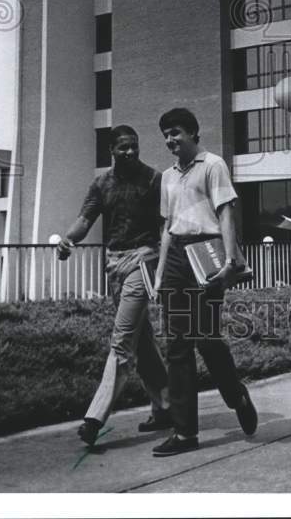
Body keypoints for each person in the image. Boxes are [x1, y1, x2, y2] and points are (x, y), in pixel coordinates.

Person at [56, 124, 171, 446]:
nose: (130, 152)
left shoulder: (153, 179)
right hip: (115, 263)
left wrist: (164, 266)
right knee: (142, 340)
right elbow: (84, 220)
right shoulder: (101, 184)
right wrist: (68, 240)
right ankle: (166, 407)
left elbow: (168, 224)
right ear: (112, 150)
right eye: (123, 148)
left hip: (144, 260)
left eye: (134, 146)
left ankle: (95, 417)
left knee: (122, 341)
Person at [152, 107, 257, 457]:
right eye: (166, 133)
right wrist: (159, 272)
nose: (170, 139)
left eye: (176, 132)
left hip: (207, 254)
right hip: (178, 258)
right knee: (177, 345)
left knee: (207, 340)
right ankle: (185, 433)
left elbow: (226, 211)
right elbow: (167, 227)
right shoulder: (168, 176)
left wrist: (229, 262)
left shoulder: (213, 165)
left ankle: (235, 394)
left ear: (194, 134)